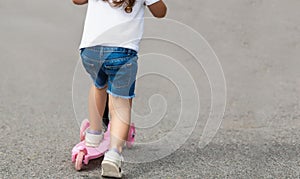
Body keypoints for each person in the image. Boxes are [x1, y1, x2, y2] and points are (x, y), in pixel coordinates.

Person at [72, 0, 167, 177]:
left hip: (90, 50)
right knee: (120, 103)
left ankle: (93, 135)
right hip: (122, 53)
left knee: (98, 86)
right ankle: (113, 155)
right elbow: (160, 12)